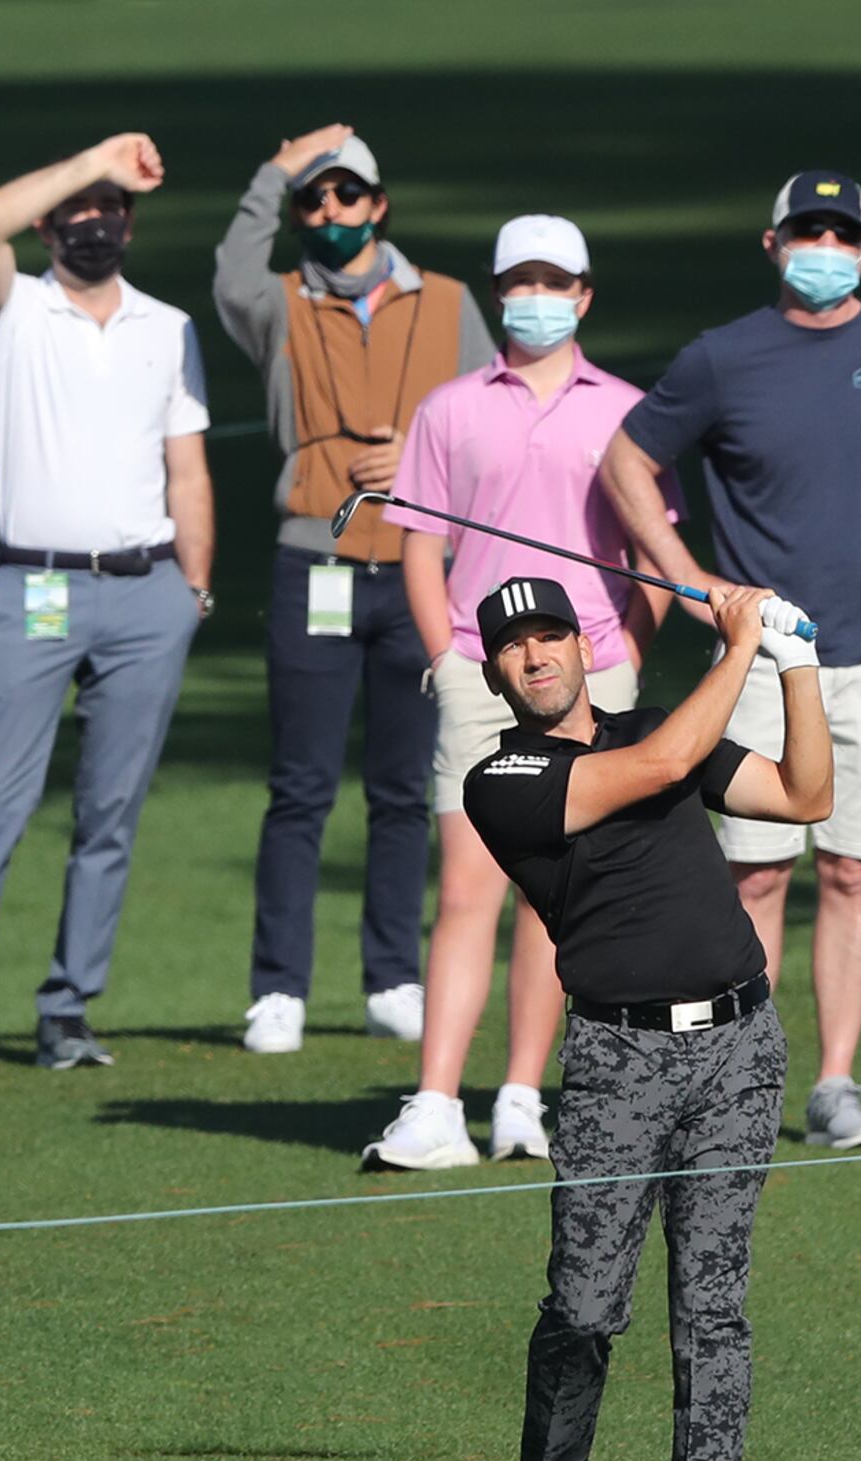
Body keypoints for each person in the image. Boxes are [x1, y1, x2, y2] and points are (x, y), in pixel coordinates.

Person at [462, 573, 830, 1461]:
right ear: (494, 669)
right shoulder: (508, 776)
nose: (534, 657)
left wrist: (795, 662)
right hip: (619, 1062)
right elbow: (665, 763)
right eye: (512, 647)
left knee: (711, 1314)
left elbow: (806, 795)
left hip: (738, 1052)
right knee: (582, 1309)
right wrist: (741, 641)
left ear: (585, 646)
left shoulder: (657, 727)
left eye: (548, 637)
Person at [602, 171, 861, 1150]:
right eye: (806, 230)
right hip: (766, 657)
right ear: (772, 244)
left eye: (841, 232)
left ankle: (837, 1084)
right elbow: (626, 463)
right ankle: (748, 1076)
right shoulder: (723, 359)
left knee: (853, 872)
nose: (825, 246)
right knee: (758, 874)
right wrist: (689, 582)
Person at [0, 135, 214, 1083]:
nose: (93, 224)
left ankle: (68, 1011)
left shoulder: (167, 326)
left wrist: (194, 589)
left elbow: (186, 466)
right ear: (51, 222)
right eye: (75, 212)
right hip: (37, 589)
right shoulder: (11, 309)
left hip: (149, 591)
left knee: (110, 814)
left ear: (131, 225)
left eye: (109, 211)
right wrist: (93, 160)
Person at [362, 215, 656, 1172]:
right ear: (499, 292)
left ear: (584, 295)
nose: (537, 296)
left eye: (555, 281)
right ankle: (438, 1102)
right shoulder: (449, 408)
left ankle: (523, 1098)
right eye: (520, 280)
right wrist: (444, 654)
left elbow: (653, 549)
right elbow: (416, 539)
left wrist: (630, 659)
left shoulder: (625, 410)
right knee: (466, 889)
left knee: (551, 899)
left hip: (589, 675)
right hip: (480, 672)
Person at [215, 126, 498, 1057]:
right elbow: (230, 269)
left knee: (403, 791)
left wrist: (418, 458)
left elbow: (489, 432)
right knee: (299, 785)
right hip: (316, 563)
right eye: (314, 200)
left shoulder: (451, 304)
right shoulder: (279, 304)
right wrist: (277, 169)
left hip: (424, 570)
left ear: (380, 206)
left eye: (346, 195)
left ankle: (392, 976)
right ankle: (277, 987)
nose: (329, 212)